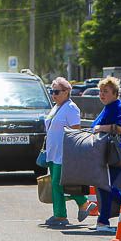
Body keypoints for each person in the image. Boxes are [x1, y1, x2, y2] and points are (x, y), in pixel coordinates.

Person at [42, 77, 93, 227]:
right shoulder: (56, 107)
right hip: (53, 151)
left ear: (66, 92)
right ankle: (80, 206)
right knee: (56, 183)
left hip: (64, 153)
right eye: (52, 91)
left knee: (59, 183)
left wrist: (73, 153)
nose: (54, 95)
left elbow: (75, 131)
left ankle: (62, 215)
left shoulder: (71, 108)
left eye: (56, 92)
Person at [92, 76, 121, 233]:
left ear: (115, 93)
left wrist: (101, 128)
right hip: (107, 154)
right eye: (100, 92)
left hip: (116, 155)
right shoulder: (108, 107)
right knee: (104, 186)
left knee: (105, 186)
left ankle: (103, 221)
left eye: (106, 92)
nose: (102, 94)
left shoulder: (118, 107)